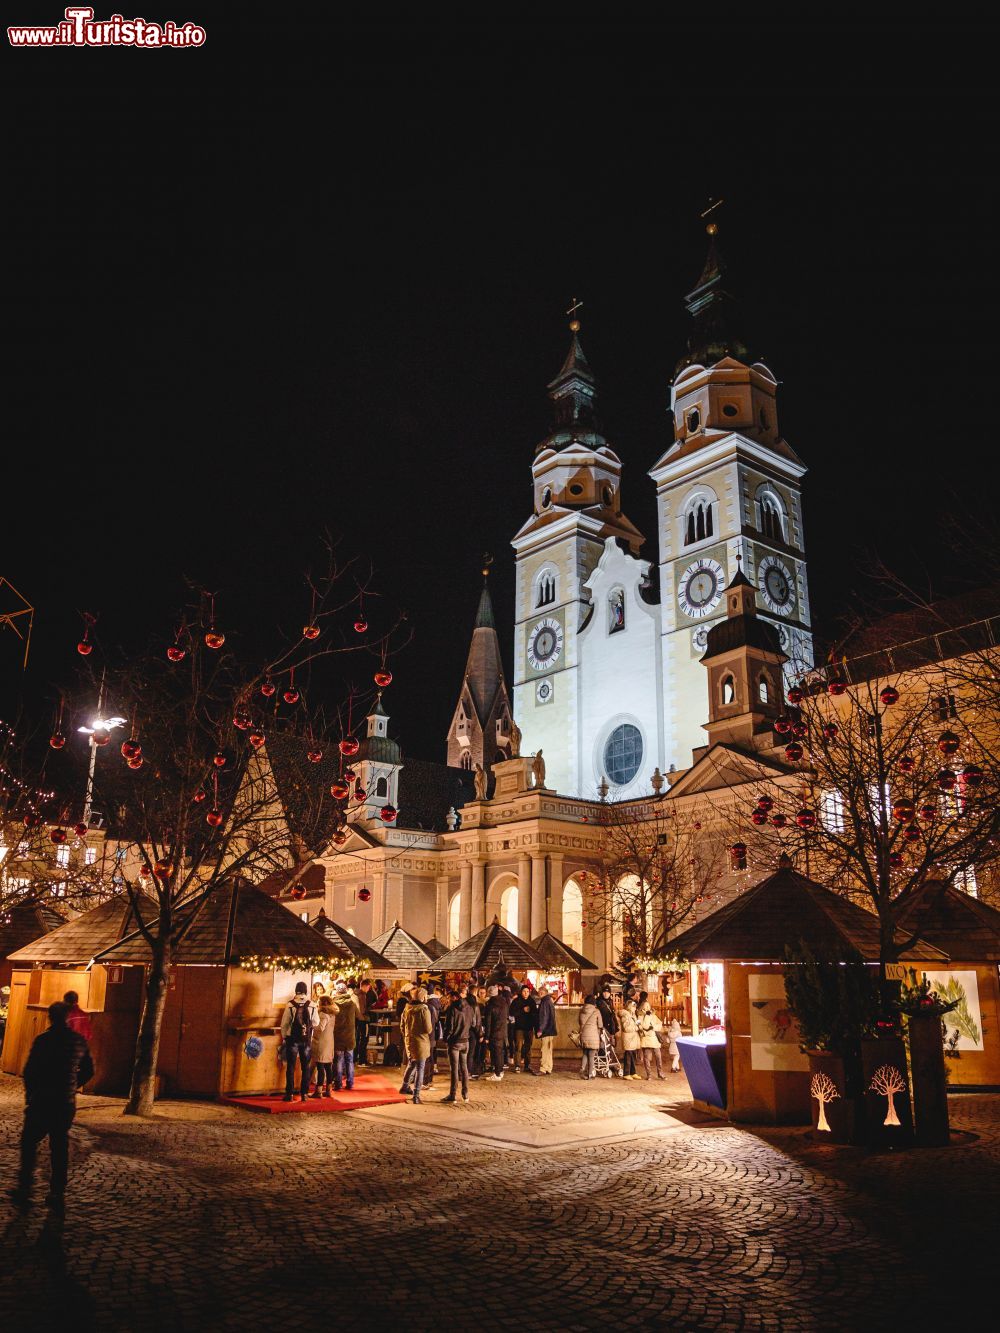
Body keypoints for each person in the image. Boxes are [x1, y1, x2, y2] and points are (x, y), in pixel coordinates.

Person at [11, 1001, 94, 1213]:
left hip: (42, 1101)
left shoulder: (43, 1040)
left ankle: (25, 1187)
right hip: (65, 1103)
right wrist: (74, 1085)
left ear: (50, 1017)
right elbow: (88, 1070)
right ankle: (57, 1192)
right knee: (59, 1146)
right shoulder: (78, 1041)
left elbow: (30, 1070)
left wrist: (31, 1095)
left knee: (29, 1142)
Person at [281, 981, 318, 1102]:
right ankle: (304, 1094)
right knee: (305, 1067)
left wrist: (284, 1036)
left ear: (296, 990)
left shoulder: (290, 1005)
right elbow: (316, 1022)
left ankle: (289, 1094)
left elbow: (285, 1023)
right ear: (306, 990)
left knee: (290, 1067)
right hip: (306, 1039)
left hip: (292, 1039)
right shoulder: (312, 1004)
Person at [440, 989, 475, 1103]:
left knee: (454, 1069)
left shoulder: (453, 1009)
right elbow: (473, 1023)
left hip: (455, 1042)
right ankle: (465, 1095)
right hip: (466, 1041)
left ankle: (453, 1095)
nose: (448, 1001)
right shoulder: (469, 1007)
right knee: (464, 1068)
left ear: (454, 997)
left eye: (449, 998)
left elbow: (449, 1027)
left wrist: (446, 1039)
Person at [399, 986, 433, 1103]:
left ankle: (404, 1086)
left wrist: (407, 1036)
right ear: (422, 997)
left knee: (412, 1064)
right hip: (421, 1042)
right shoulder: (424, 1009)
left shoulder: (407, 1008)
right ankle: (416, 1095)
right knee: (420, 1068)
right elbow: (428, 1029)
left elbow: (402, 1026)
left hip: (410, 1041)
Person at [332, 979, 360, 1091]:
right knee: (349, 1060)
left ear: (338, 992)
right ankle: (350, 1083)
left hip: (338, 1036)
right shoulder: (352, 1003)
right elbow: (358, 1016)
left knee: (338, 1060)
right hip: (349, 1036)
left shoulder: (334, 1004)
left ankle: (338, 1083)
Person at [509, 983, 538, 1073]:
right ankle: (517, 1065)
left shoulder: (532, 1002)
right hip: (519, 1028)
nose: (526, 993)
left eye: (527, 991)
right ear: (521, 992)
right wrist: (523, 1010)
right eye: (524, 991)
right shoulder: (516, 1001)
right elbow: (511, 1013)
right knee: (518, 1047)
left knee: (528, 1047)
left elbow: (535, 1014)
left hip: (529, 1028)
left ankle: (527, 1065)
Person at [311, 995, 336, 1097]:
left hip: (322, 1042)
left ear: (323, 1003)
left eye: (319, 1002)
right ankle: (328, 1090)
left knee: (320, 1066)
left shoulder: (323, 1014)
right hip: (329, 1041)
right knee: (328, 1067)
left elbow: (320, 1027)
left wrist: (312, 1025)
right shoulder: (332, 1014)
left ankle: (318, 1091)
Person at [483, 985, 509, 1080]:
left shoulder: (490, 1005)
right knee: (500, 1053)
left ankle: (497, 1074)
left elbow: (488, 1023)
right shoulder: (504, 1002)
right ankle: (500, 1071)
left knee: (495, 1053)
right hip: (503, 1031)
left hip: (494, 1032)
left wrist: (486, 1037)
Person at [577, 995, 604, 1079]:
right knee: (591, 1056)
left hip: (584, 1035)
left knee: (585, 1053)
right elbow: (600, 1025)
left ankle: (582, 1069)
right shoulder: (596, 1011)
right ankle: (590, 1074)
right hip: (594, 1035)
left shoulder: (581, 1011)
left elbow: (579, 1022)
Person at [638, 1000, 665, 1079]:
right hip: (646, 1039)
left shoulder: (653, 1015)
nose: (647, 1008)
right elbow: (644, 1026)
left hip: (654, 1039)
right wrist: (647, 1016)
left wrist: (654, 1027)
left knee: (658, 1056)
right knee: (647, 1058)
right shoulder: (640, 1016)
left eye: (648, 1006)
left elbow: (659, 1024)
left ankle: (660, 1073)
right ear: (642, 1007)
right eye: (645, 1006)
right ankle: (649, 1074)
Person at [535, 984, 558, 1075]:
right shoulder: (549, 1001)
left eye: (541, 992)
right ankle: (549, 1067)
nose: (540, 994)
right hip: (550, 1029)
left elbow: (544, 1017)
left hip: (546, 1030)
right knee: (549, 1050)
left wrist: (540, 1030)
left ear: (544, 993)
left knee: (544, 1049)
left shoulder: (544, 1002)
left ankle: (543, 1069)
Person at [423, 982, 442, 1088]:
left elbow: (427, 1024)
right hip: (433, 1035)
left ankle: (425, 1081)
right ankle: (429, 1079)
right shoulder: (436, 1004)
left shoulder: (427, 1008)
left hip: (427, 1036)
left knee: (426, 1059)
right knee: (431, 1057)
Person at [355, 977, 375, 1065]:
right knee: (364, 1039)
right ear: (364, 986)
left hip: (357, 1019)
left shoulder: (356, 994)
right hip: (363, 1019)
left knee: (358, 1039)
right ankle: (362, 1060)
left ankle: (356, 1058)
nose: (368, 989)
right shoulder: (362, 995)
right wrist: (370, 1008)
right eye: (368, 987)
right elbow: (362, 1009)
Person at [620, 999, 641, 1079]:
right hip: (628, 1039)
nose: (635, 1008)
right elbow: (626, 1028)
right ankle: (626, 1073)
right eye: (634, 1007)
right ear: (629, 1007)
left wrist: (639, 1024)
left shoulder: (633, 1015)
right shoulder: (625, 1015)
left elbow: (637, 1023)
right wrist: (636, 1028)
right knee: (628, 1056)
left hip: (633, 1038)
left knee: (632, 1055)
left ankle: (633, 1072)